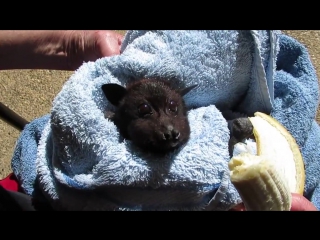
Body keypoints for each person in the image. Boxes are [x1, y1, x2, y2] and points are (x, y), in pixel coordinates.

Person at [0, 30, 317, 211]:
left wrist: (74, 47)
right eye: (145, 113)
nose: (167, 127)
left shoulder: (204, 117)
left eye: (172, 108)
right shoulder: (110, 125)